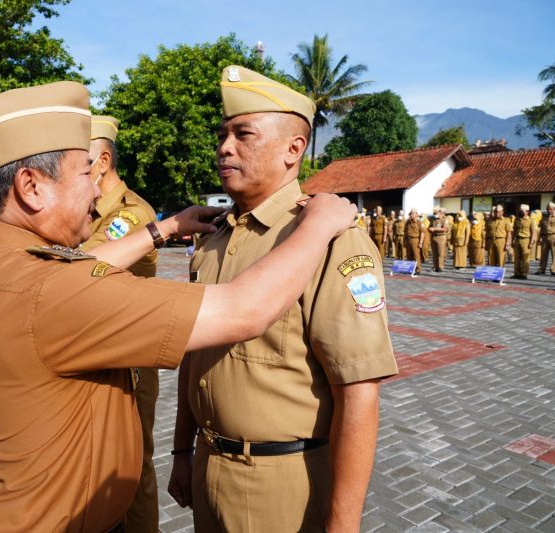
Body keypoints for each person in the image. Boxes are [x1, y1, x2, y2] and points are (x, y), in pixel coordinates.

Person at [0, 81, 357, 532]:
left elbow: (67, 273)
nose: (96, 193)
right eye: (84, 175)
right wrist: (320, 225)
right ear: (31, 187)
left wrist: (165, 227)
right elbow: (243, 311)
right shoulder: (49, 290)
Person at [168, 65, 398, 533]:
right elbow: (195, 359)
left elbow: (357, 391)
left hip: (282, 484)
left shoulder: (328, 237)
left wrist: (343, 523)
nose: (224, 147)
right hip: (209, 467)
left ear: (294, 149)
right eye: (223, 135)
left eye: (243, 134)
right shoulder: (212, 239)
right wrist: (181, 452)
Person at [78, 115, 161, 533]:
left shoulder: (129, 214)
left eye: (81, 161)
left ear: (103, 161)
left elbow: (82, 267)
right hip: (95, 350)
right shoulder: (85, 209)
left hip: (127, 360)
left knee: (132, 464)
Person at [510, 204, 536, 280]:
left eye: (522, 211)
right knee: (517, 258)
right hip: (517, 240)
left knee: (525, 258)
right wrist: (512, 240)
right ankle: (517, 273)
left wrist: (531, 242)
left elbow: (533, 232)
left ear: (527, 212)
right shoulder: (517, 219)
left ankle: (524, 274)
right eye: (520, 211)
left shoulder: (530, 220)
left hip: (526, 240)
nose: (520, 212)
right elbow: (514, 230)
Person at [538, 202, 555, 275]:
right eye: (548, 209)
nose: (549, 211)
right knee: (543, 254)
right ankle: (542, 269)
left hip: (554, 236)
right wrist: (539, 238)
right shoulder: (544, 217)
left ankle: (554, 269)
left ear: (554, 209)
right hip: (544, 236)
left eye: (550, 209)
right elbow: (541, 228)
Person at [405, 208, 426, 274]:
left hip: (415, 240)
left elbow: (422, 233)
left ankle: (418, 269)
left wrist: (421, 242)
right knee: (409, 255)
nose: (411, 215)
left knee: (416, 255)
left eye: (412, 213)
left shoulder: (419, 222)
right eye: (410, 213)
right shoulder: (408, 222)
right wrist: (405, 241)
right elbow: (405, 231)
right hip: (409, 240)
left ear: (416, 214)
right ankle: (410, 269)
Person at [428, 207, 448, 271]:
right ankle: (435, 266)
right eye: (434, 213)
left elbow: (445, 229)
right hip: (434, 237)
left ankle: (440, 267)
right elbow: (429, 227)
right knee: (434, 253)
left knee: (440, 253)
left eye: (436, 213)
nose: (435, 214)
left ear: (440, 212)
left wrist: (435, 229)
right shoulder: (433, 219)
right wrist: (429, 229)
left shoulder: (444, 219)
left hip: (441, 237)